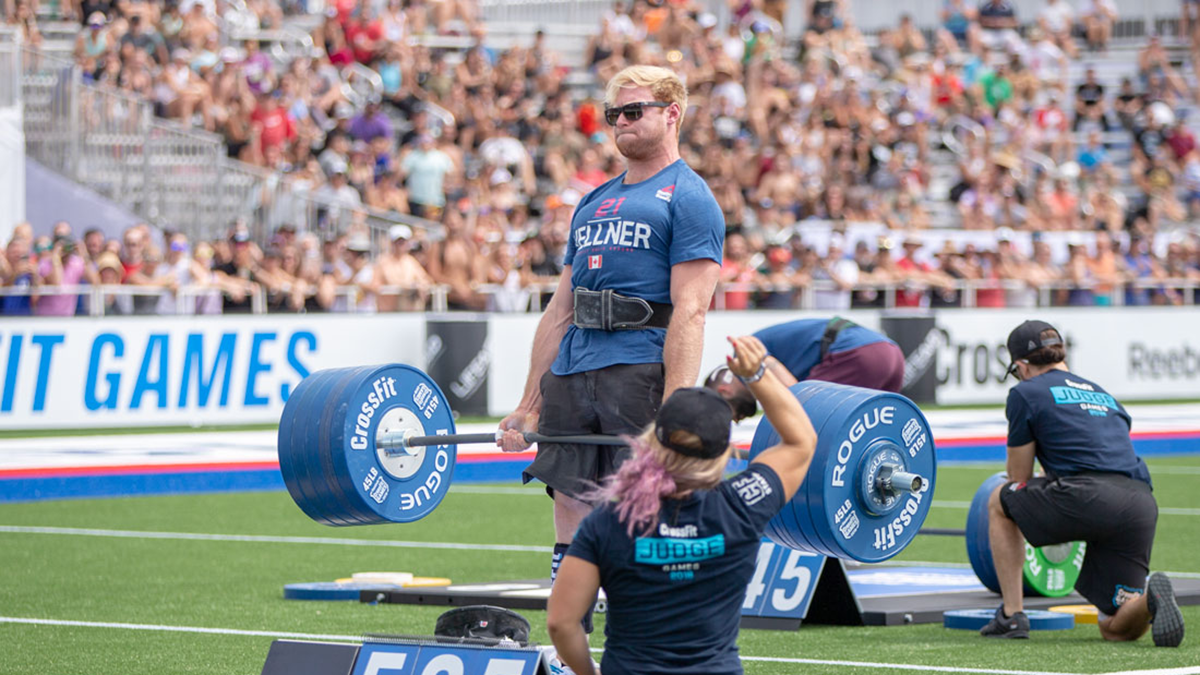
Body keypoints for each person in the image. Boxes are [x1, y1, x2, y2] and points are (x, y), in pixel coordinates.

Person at [497, 65, 725, 630]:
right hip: (576, 364)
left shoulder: (689, 197)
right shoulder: (593, 200)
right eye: (614, 114)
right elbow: (560, 308)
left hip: (640, 365)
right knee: (570, 495)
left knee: (643, 497)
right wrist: (528, 404)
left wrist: (676, 411)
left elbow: (691, 311)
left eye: (634, 111)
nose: (621, 123)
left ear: (672, 113)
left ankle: (645, 626)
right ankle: (568, 623)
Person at [546, 335, 817, 675]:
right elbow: (802, 440)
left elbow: (561, 621)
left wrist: (588, 672)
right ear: (722, 453)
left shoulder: (609, 521)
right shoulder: (741, 505)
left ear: (652, 441)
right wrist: (757, 374)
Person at [982, 320, 1184, 646]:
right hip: (1139, 503)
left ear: (1020, 365)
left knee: (999, 499)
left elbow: (1018, 477)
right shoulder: (1103, 394)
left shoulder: (1025, 392)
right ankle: (1149, 600)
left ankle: (1012, 615)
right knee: (1115, 627)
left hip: (1085, 497)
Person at [704, 317, 904, 421]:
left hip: (858, 354)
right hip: (890, 351)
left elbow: (798, 397)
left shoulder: (746, 353)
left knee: (806, 414)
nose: (736, 421)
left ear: (725, 390)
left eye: (730, 415)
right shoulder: (755, 349)